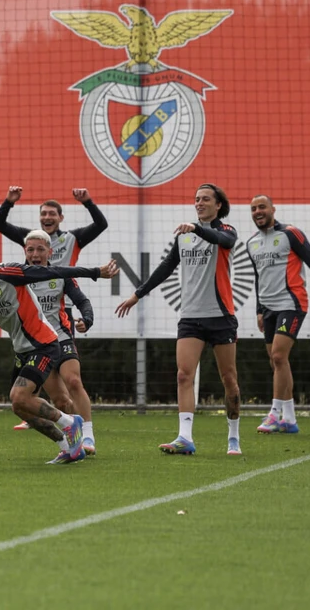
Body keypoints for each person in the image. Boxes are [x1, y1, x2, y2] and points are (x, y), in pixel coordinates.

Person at [0, 240, 118, 464]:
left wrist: (94, 272)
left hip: (43, 344)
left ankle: (72, 423)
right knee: (20, 407)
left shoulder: (8, 272)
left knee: (20, 396)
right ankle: (68, 447)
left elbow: (53, 271)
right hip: (22, 349)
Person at [115, 183, 243, 456]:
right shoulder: (183, 236)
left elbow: (225, 241)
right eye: (196, 199)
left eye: (205, 199)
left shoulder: (225, 230)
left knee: (229, 378)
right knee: (184, 375)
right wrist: (137, 295)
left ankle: (233, 436)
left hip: (221, 316)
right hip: (190, 317)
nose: (199, 203)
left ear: (218, 205)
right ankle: (185, 437)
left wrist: (197, 228)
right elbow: (164, 268)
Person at [0, 185, 108, 431]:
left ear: (60, 218)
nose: (47, 218)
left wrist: (88, 201)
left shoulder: (71, 239)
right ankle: (47, 416)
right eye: (43, 214)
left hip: (61, 313)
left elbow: (100, 225)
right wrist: (9, 201)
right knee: (54, 393)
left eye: (52, 214)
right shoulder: (31, 241)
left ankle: (85, 434)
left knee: (73, 380)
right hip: (35, 323)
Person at [245, 195, 310, 435]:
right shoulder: (252, 243)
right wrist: (258, 309)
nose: (258, 211)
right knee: (277, 361)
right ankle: (289, 419)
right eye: (254, 208)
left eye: (262, 207)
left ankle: (274, 414)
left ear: (272, 209)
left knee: (278, 356)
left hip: (292, 304)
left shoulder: (290, 233)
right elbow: (258, 278)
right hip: (267, 308)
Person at [22, 230, 99, 455]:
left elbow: (82, 300)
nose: (35, 254)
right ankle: (74, 443)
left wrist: (87, 319)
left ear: (50, 252)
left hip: (61, 337)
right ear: (25, 252)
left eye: (40, 249)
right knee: (61, 401)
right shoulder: (18, 277)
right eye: (31, 249)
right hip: (38, 345)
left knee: (73, 381)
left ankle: (88, 436)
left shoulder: (61, 275)